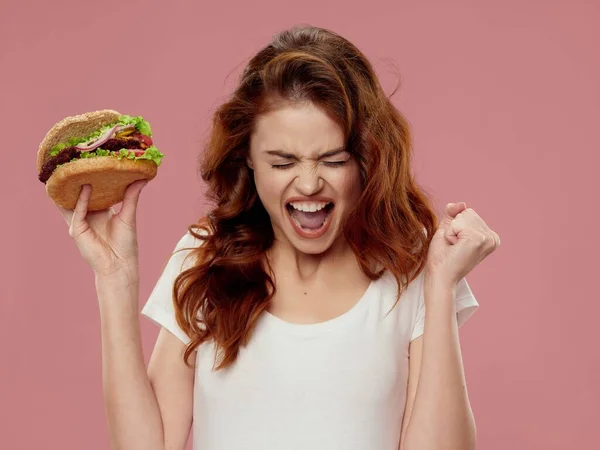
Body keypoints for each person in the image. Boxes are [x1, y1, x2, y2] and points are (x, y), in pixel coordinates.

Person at [57, 25, 500, 450]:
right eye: (283, 162)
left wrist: (441, 285)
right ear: (247, 157)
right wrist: (114, 279)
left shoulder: (413, 263)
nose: (308, 185)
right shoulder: (207, 256)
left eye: (333, 159)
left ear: (368, 158)